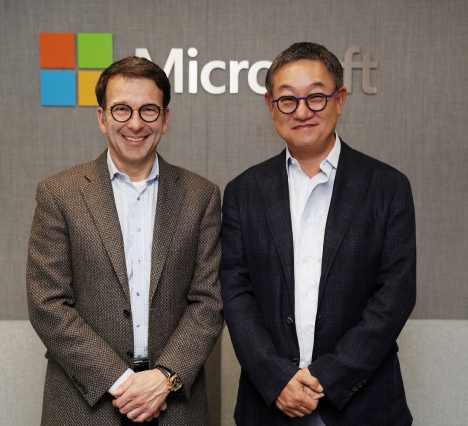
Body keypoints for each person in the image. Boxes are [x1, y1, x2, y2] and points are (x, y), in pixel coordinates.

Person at [221, 42, 416, 425]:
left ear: (340, 99)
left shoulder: (387, 186)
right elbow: (235, 292)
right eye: (288, 100)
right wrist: (277, 379)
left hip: (366, 404)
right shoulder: (243, 191)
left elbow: (396, 293)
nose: (303, 111)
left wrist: (328, 377)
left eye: (316, 97)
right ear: (270, 106)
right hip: (269, 406)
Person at [27, 56, 223, 426]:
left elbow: (209, 302)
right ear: (102, 118)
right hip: (84, 403)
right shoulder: (59, 194)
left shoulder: (202, 196)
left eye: (149, 110)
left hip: (174, 404)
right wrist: (120, 381)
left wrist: (164, 377)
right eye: (122, 110)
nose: (135, 123)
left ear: (165, 119)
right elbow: (47, 303)